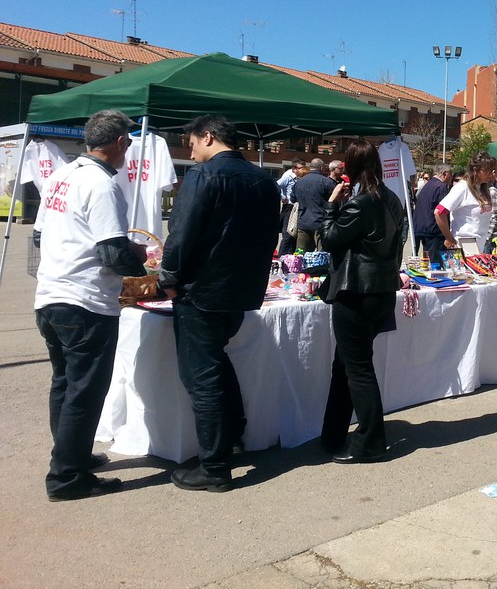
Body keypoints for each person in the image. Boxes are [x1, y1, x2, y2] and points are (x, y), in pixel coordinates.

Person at [159, 115, 280, 492]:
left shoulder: (205, 176)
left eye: (192, 142)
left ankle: (214, 466)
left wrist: (168, 278)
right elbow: (269, 235)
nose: (190, 149)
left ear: (208, 137)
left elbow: (181, 232)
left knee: (202, 376)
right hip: (239, 290)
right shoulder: (263, 180)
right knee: (216, 364)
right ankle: (233, 435)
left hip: (202, 290)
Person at [33, 110, 147, 501]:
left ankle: (71, 455)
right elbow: (113, 254)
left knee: (65, 383)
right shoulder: (102, 185)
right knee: (84, 390)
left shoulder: (61, 176)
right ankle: (66, 477)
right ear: (119, 142)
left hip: (51, 295)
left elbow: (40, 236)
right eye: (128, 143)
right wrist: (143, 264)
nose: (128, 150)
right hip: (85, 302)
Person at [319, 139, 407, 463]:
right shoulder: (392, 199)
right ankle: (332, 434)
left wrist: (332, 205)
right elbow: (397, 245)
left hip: (356, 292)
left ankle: (370, 442)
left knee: (356, 369)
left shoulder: (361, 202)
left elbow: (329, 240)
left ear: (351, 166)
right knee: (346, 365)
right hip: (380, 292)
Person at [434, 151, 497, 255]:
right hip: (464, 245)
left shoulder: (484, 189)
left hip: (480, 245)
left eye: (492, 170)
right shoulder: (462, 188)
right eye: (487, 170)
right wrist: (449, 238)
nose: (490, 174)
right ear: (475, 170)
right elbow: (439, 212)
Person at [411, 164, 452, 267]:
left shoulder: (428, 185)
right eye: (451, 175)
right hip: (434, 231)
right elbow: (442, 211)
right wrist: (447, 235)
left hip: (421, 228)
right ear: (445, 174)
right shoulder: (441, 187)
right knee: (436, 264)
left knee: (427, 263)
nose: (451, 178)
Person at [293, 158, 335, 252]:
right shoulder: (327, 182)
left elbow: (293, 199)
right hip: (320, 222)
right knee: (322, 255)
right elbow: (334, 201)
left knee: (300, 254)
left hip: (303, 222)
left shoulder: (299, 182)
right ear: (321, 168)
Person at [277, 158, 304, 255]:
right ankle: (282, 255)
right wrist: (283, 197)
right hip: (289, 206)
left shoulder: (300, 177)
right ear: (294, 169)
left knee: (294, 234)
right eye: (300, 168)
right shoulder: (288, 176)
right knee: (288, 233)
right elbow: (276, 185)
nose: (302, 170)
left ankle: (291, 255)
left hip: (296, 207)